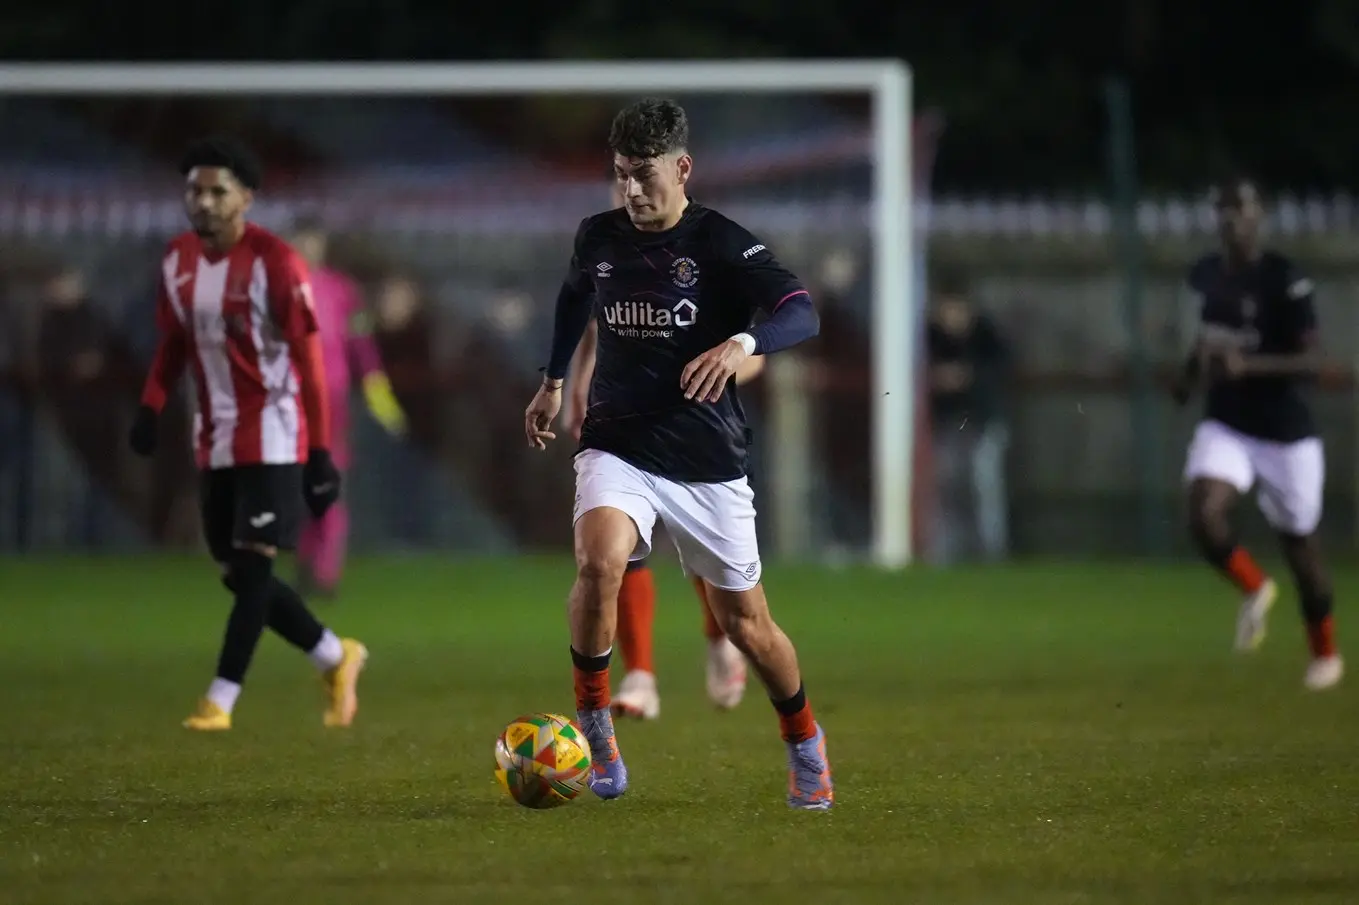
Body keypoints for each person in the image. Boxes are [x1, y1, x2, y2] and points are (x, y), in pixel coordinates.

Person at [524, 98, 833, 810]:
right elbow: (574, 299)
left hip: (705, 458)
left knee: (747, 626)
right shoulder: (597, 236)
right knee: (599, 560)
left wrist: (743, 342)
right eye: (621, 174)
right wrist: (552, 381)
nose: (631, 190)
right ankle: (595, 726)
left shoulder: (720, 242)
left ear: (683, 168)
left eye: (645, 174)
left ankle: (803, 739)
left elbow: (801, 310)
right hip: (617, 441)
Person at [128, 137, 369, 729]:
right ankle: (335, 655)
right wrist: (150, 407)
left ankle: (220, 698)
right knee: (238, 573)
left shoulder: (276, 263)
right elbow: (174, 343)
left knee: (255, 569)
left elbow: (309, 362)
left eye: (218, 191)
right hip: (213, 436)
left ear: (246, 198)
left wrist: (318, 450)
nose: (204, 201)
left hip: (274, 434)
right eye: (195, 190)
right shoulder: (177, 260)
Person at [1173, 176, 1341, 691]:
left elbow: (1312, 361)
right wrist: (1187, 377)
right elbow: (1205, 340)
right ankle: (1254, 586)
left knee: (1303, 551)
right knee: (1203, 513)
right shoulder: (1206, 275)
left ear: (1258, 214)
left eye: (1240, 208)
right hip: (1228, 423)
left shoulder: (1284, 278)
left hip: (1285, 434)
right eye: (1223, 208)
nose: (1231, 218)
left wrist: (1251, 366)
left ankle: (1325, 653)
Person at [564, 317, 763, 718]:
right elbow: (594, 322)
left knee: (702, 544)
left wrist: (698, 377)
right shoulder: (619, 276)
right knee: (615, 547)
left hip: (699, 432)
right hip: (624, 425)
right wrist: (577, 389)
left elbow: (755, 356)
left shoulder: (714, 277)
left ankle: (719, 637)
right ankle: (640, 676)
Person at [288, 217, 407, 599]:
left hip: (330, 401)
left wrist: (382, 402)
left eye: (313, 242)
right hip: (288, 401)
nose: (308, 248)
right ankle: (307, 559)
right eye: (302, 242)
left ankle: (324, 570)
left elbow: (363, 350)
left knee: (330, 481)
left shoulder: (341, 290)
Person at [925, 270, 1011, 563]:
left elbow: (999, 371)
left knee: (983, 487)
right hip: (946, 423)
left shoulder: (986, 335)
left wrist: (967, 376)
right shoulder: (931, 337)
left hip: (982, 422)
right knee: (946, 488)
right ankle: (948, 553)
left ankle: (990, 552)